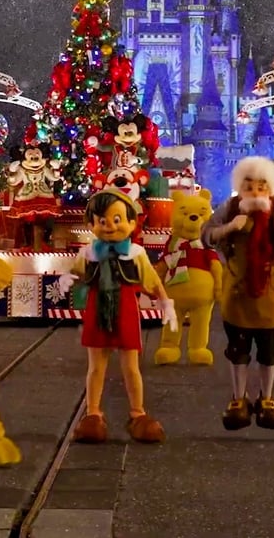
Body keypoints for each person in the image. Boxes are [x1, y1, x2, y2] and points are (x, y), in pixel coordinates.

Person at [202, 156, 274, 431]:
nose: (256, 192)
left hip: (270, 293)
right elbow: (206, 235)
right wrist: (229, 228)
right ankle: (239, 398)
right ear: (240, 187)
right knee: (238, 350)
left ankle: (267, 397)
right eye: (249, 187)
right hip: (238, 293)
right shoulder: (229, 209)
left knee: (269, 350)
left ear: (270, 188)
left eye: (262, 187)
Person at [63, 187, 178, 444]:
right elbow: (76, 273)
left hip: (126, 314)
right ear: (92, 223)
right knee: (96, 367)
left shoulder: (135, 253)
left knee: (131, 367)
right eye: (102, 221)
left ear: (130, 222)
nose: (110, 226)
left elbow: (152, 281)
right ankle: (93, 412)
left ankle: (138, 413)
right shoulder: (89, 252)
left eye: (117, 220)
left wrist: (166, 304)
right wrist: (67, 278)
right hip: (97, 313)